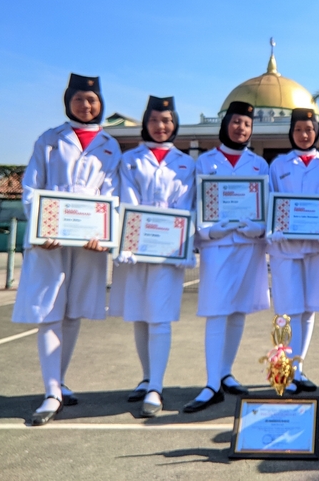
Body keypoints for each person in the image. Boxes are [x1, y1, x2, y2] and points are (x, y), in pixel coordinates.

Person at [12, 73, 121, 426]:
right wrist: (41, 227)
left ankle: (59, 382)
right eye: (79, 99)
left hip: (88, 244)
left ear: (100, 103)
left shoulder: (109, 145)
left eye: (92, 99)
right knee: (49, 310)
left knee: (74, 311)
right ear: (68, 101)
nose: (86, 105)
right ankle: (51, 392)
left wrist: (103, 235)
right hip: (51, 241)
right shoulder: (49, 139)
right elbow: (32, 187)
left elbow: (113, 196)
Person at [109, 96, 196, 417]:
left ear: (175, 126)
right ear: (146, 123)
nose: (161, 127)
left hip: (169, 250)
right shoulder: (129, 160)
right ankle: (146, 378)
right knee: (140, 314)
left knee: (159, 316)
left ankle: (156, 388)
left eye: (168, 121)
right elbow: (126, 200)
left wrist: (181, 242)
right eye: (156, 120)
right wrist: (129, 242)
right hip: (136, 248)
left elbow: (187, 207)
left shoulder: (186, 163)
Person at [183, 101, 270, 413]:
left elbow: (268, 207)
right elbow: (194, 203)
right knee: (217, 311)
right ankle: (211, 383)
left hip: (248, 247)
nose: (241, 128)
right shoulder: (206, 161)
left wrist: (258, 228)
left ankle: (226, 372)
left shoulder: (259, 165)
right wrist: (208, 231)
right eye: (236, 122)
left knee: (237, 311)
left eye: (246, 124)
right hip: (218, 247)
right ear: (225, 124)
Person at [266, 108, 319, 394]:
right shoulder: (279, 165)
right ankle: (282, 367)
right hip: (285, 246)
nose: (304, 134)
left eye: (309, 129)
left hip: (317, 245)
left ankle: (298, 367)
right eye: (298, 130)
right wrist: (275, 225)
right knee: (287, 307)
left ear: (316, 132)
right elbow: (271, 198)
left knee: (308, 308)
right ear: (291, 133)